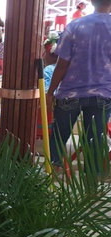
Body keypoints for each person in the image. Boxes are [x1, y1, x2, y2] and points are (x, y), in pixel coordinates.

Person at [46, 0, 111, 171]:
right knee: (94, 139)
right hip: (103, 94)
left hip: (70, 93)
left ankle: (53, 171)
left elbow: (62, 64)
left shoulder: (75, 26)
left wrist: (50, 92)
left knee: (59, 137)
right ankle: (91, 182)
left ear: (91, 1)